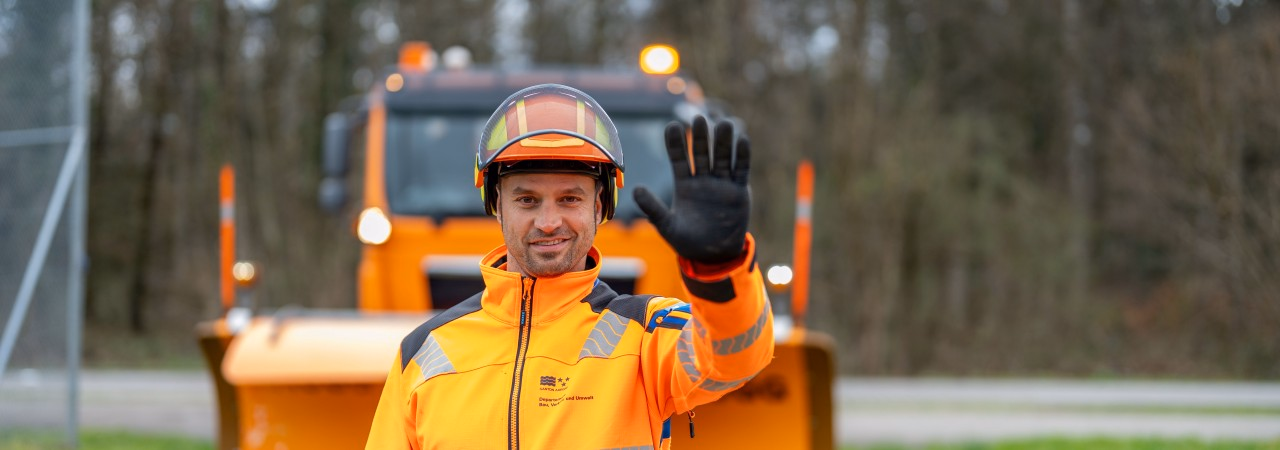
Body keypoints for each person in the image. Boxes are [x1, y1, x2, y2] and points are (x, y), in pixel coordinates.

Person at [364, 83, 773, 449]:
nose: (548, 222)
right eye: (527, 200)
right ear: (496, 206)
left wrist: (719, 268)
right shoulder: (422, 353)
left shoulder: (648, 334)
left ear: (599, 207)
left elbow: (735, 357)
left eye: (569, 199)